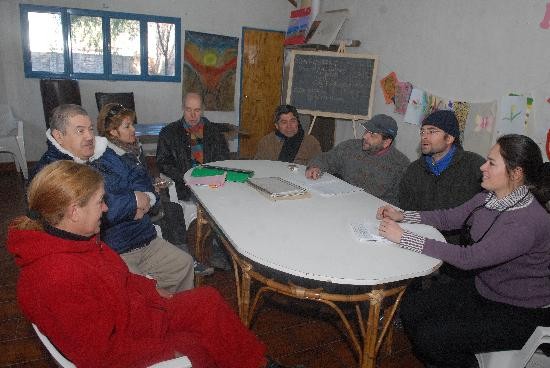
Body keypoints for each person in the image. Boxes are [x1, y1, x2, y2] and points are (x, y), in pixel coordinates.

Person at [7, 160, 291, 368]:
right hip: (130, 338)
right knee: (197, 346)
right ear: (73, 211)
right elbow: (98, 356)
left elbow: (121, 278)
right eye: (99, 203)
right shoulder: (56, 277)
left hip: (138, 313)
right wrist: (170, 351)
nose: (106, 209)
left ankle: (258, 363)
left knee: (208, 299)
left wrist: (151, 290)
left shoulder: (74, 240)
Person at [376, 134, 550, 368]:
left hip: (518, 310)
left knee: (431, 337)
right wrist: (404, 216)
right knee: (411, 307)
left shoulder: (527, 221)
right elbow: (449, 217)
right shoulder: (489, 199)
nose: (482, 167)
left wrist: (405, 237)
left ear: (516, 173)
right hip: (485, 289)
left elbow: (468, 259)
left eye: (491, 163)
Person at [33, 104, 195, 293]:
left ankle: (174, 314)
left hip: (144, 237)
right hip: (112, 250)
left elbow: (139, 178)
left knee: (183, 264)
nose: (88, 136)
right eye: (80, 131)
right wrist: (133, 201)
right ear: (59, 136)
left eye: (90, 129)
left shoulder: (104, 153)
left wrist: (147, 198)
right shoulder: (53, 171)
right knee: (139, 293)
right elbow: (86, 211)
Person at [96, 103, 213, 277]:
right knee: (171, 212)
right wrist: (147, 195)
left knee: (174, 209)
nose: (133, 130)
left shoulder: (132, 148)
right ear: (113, 131)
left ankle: (184, 257)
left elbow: (139, 178)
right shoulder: (108, 159)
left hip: (145, 200)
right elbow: (122, 190)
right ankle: (184, 260)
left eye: (132, 124)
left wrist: (153, 183)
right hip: (132, 212)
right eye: (127, 126)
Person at [399, 110, 485, 279]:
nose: (424, 136)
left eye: (432, 131)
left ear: (450, 138)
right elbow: (407, 210)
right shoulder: (414, 170)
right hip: (420, 249)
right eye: (422, 131)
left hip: (460, 259)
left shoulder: (475, 166)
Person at [305, 114, 409, 206]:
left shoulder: (401, 165)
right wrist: (316, 166)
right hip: (341, 203)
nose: (365, 136)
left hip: (373, 211)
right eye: (366, 131)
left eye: (372, 135)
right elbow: (327, 158)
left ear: (386, 142)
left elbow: (400, 201)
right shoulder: (350, 147)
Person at [156, 92, 229, 202]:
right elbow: (163, 163)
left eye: (197, 110)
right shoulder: (168, 133)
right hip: (184, 187)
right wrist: (186, 177)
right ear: (182, 108)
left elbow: (223, 158)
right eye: (188, 109)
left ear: (202, 110)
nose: (193, 115)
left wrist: (210, 176)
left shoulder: (215, 132)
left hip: (213, 185)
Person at [254, 104, 321, 165]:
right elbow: (258, 166)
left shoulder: (311, 143)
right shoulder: (266, 142)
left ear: (297, 122)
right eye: (284, 122)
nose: (289, 126)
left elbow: (318, 166)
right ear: (276, 126)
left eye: (293, 121)